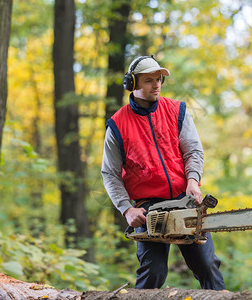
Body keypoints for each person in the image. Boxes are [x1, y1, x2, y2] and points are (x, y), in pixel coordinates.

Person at [101, 55, 226, 290]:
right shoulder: (117, 124)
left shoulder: (177, 110)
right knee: (153, 271)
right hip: (149, 208)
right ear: (133, 84)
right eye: (149, 80)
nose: (156, 85)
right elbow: (109, 173)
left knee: (207, 263)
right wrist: (127, 209)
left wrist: (192, 180)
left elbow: (193, 152)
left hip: (185, 199)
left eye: (158, 79)